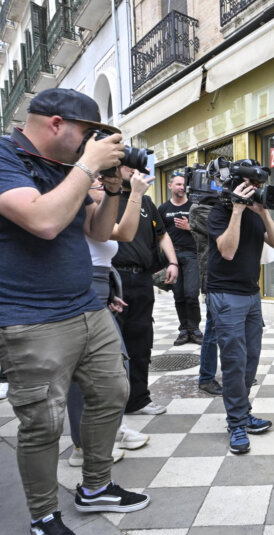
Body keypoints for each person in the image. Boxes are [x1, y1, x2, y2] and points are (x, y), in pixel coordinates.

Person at [0, 88, 151, 535]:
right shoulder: (5, 156)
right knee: (43, 423)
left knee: (112, 392)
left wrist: (113, 188)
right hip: (30, 318)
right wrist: (88, 166)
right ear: (55, 124)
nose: (93, 144)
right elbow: (42, 221)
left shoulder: (67, 169)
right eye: (89, 135)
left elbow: (99, 232)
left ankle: (96, 486)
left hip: (87, 306)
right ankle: (45, 515)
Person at [66, 173, 153, 467]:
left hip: (100, 290)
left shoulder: (95, 210)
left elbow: (122, 234)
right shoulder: (77, 204)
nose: (103, 187)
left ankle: (111, 430)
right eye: (99, 183)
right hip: (83, 291)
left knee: (118, 366)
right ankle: (82, 447)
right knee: (86, 375)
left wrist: (109, 291)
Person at [206, 170, 274, 454]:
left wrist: (263, 213)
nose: (256, 189)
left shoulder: (255, 213)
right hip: (225, 295)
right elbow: (226, 252)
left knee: (251, 360)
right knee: (234, 362)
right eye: (252, 184)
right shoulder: (218, 211)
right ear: (236, 184)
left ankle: (243, 412)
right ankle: (236, 422)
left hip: (252, 296)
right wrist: (237, 210)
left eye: (259, 185)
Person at [112, 166, 178, 415]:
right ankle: (112, 406)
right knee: (112, 347)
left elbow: (162, 235)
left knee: (141, 342)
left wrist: (173, 262)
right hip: (113, 278)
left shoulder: (147, 202)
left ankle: (138, 400)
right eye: (130, 165)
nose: (137, 171)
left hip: (142, 279)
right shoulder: (104, 197)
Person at [158, 172, 203, 346]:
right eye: (177, 184)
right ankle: (184, 330)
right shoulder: (163, 209)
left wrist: (189, 227)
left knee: (191, 294)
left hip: (192, 255)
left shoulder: (194, 206)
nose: (181, 187)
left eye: (183, 184)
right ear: (170, 186)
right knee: (179, 295)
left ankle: (195, 329)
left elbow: (205, 230)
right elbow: (158, 235)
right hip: (172, 257)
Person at [189, 194, 222, 396]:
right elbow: (219, 226)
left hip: (233, 278)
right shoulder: (199, 210)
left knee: (236, 331)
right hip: (214, 278)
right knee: (213, 330)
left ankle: (236, 373)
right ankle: (206, 378)